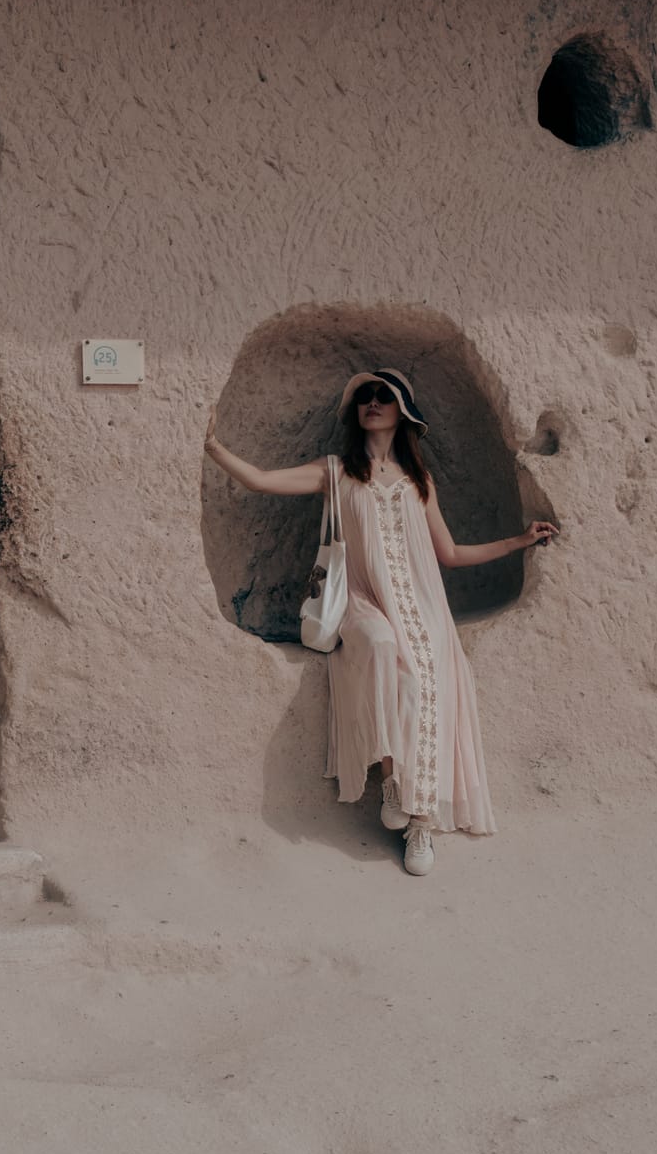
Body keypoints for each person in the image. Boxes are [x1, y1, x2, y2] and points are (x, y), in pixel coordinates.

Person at [203, 368, 557, 876]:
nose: (373, 402)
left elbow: (450, 553)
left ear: (403, 410)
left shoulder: (419, 481)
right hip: (364, 603)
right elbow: (261, 479)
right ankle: (391, 778)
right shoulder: (336, 471)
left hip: (423, 606)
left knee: (423, 683)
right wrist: (213, 446)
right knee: (381, 644)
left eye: (383, 395)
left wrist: (519, 541)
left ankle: (419, 822)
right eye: (365, 396)